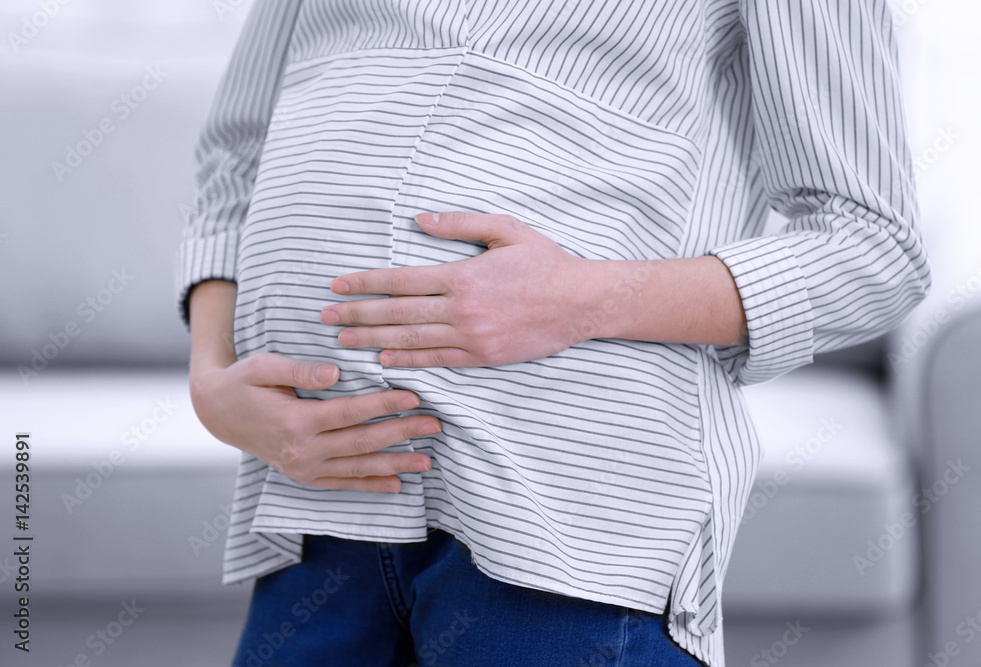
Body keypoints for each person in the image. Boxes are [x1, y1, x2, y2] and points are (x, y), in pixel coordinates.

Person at [177, 1, 930, 665]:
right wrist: (212, 382)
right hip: (318, 507)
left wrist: (582, 299)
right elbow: (236, 155)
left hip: (560, 526)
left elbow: (872, 249)